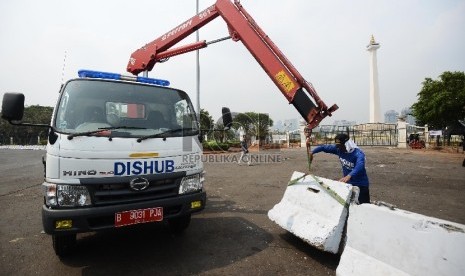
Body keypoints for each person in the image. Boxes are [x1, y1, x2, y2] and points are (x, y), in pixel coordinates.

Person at [309, 133, 370, 204]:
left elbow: (360, 165)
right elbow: (323, 147)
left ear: (347, 144)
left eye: (341, 146)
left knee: (364, 206)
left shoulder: (358, 154)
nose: (339, 148)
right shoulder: (338, 149)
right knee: (350, 206)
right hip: (348, 184)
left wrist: (349, 176)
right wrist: (312, 152)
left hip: (361, 184)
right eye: (338, 146)